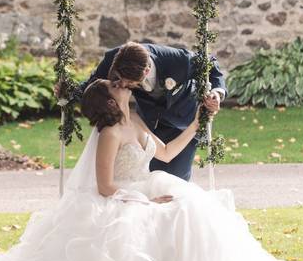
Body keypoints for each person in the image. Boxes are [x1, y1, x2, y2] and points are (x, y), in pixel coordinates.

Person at [0, 79, 303, 261]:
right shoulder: (109, 134)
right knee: (163, 214)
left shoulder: (138, 122)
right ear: (109, 100)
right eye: (117, 86)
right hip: (123, 197)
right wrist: (144, 200)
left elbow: (167, 154)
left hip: (148, 183)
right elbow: (105, 186)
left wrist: (196, 125)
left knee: (193, 205)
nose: (125, 86)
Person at [78, 41, 226, 180]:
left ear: (147, 71)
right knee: (151, 174)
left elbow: (210, 65)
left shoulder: (179, 61)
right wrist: (68, 92)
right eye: (118, 80)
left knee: (177, 178)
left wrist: (217, 93)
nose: (122, 84)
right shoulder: (115, 59)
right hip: (148, 122)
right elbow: (92, 87)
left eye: (129, 83)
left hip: (183, 122)